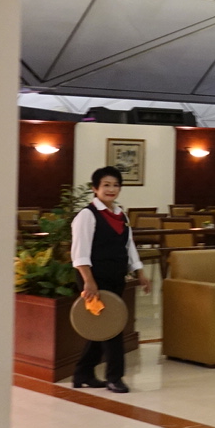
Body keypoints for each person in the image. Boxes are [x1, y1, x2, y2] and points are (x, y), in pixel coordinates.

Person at [69, 166, 151, 392]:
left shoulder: (120, 215)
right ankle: (115, 377)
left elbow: (129, 246)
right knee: (112, 327)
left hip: (115, 277)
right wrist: (88, 281)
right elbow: (79, 253)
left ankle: (83, 373)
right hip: (93, 279)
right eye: (106, 185)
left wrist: (140, 271)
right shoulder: (87, 215)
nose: (111, 189)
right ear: (95, 188)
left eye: (115, 185)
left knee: (101, 326)